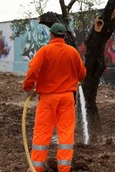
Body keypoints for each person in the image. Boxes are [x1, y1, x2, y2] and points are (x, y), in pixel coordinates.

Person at [23, 22, 86, 172]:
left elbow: (32, 70)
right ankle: (64, 168)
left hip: (48, 99)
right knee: (66, 132)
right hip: (67, 98)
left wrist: (28, 86)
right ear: (64, 36)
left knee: (42, 132)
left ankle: (36, 168)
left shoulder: (45, 51)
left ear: (51, 35)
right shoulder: (72, 52)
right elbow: (82, 73)